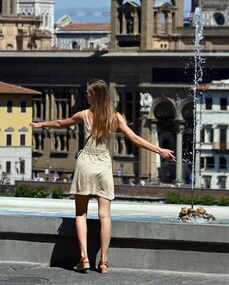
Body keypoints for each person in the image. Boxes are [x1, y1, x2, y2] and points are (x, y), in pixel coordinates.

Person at [30, 79, 175, 274]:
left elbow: (59, 123)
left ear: (95, 96)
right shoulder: (115, 117)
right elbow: (135, 138)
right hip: (103, 165)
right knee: (105, 216)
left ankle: (84, 258)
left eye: (89, 93)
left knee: (81, 213)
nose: (86, 96)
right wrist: (159, 150)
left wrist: (41, 124)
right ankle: (104, 262)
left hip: (85, 164)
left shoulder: (84, 115)